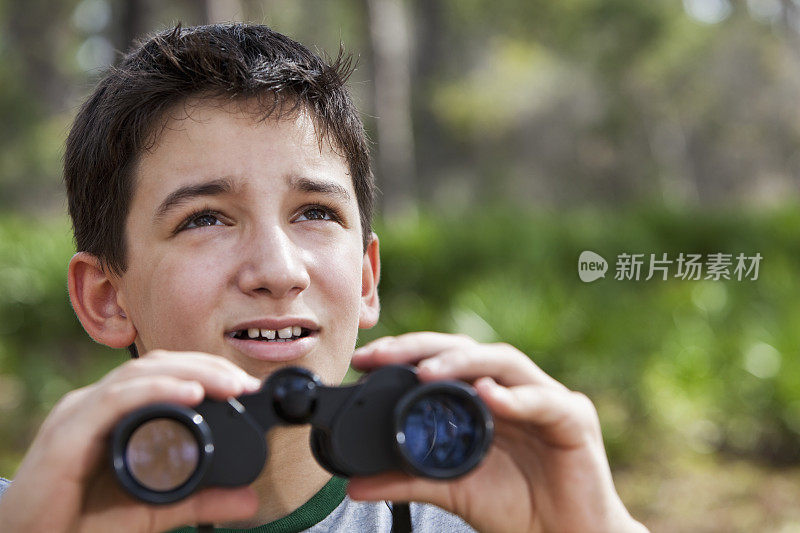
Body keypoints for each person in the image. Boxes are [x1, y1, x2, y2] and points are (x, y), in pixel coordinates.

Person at [0, 23, 647, 532]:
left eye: (314, 211)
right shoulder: (31, 516)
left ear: (366, 279)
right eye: (204, 219)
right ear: (107, 298)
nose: (279, 271)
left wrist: (592, 525)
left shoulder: (480, 515)